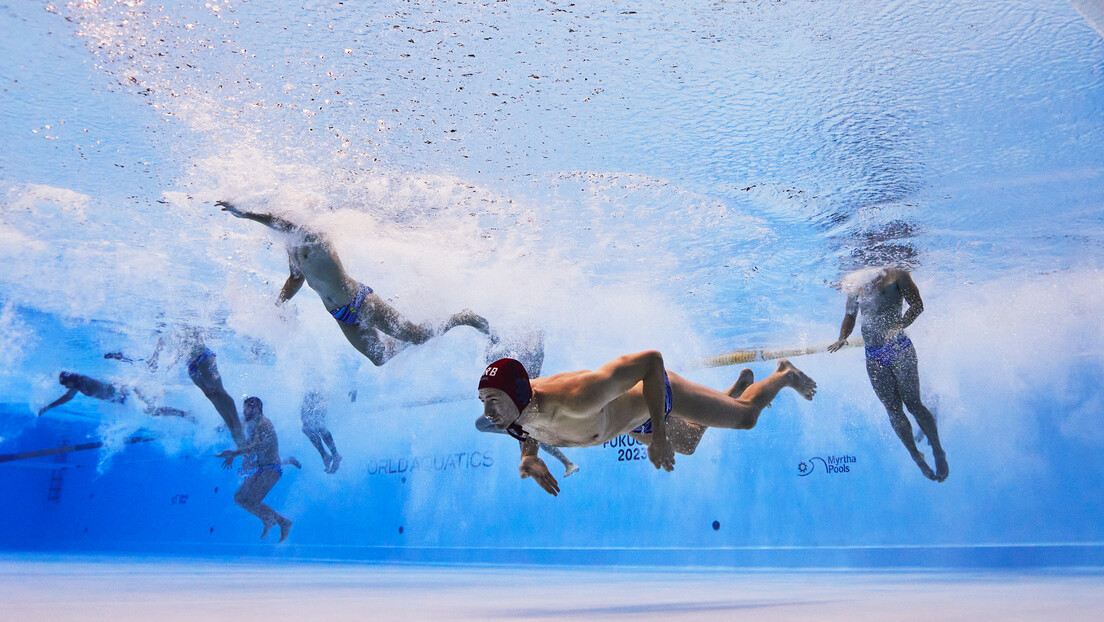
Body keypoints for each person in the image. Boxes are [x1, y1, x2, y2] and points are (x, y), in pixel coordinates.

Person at [477, 353, 816, 496]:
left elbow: (652, 362)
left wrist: (660, 435)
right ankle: (729, 392)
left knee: (746, 417)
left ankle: (784, 374)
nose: (489, 412)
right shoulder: (511, 414)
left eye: (494, 401)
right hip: (629, 422)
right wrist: (527, 455)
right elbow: (523, 427)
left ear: (521, 394)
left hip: (660, 394)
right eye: (484, 402)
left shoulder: (577, 396)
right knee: (689, 445)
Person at [216, 200, 493, 366]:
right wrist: (278, 303)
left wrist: (248, 214)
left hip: (360, 302)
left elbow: (285, 224)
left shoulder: (313, 235)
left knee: (418, 336)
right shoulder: (293, 249)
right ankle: (403, 333)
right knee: (380, 358)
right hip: (341, 315)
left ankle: (463, 317)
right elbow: (296, 279)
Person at [827, 267, 948, 482]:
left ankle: (938, 449)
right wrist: (842, 337)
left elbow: (917, 306)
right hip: (873, 354)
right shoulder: (856, 283)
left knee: (913, 403)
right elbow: (850, 315)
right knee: (892, 409)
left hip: (899, 347)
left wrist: (900, 325)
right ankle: (915, 455)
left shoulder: (898, 275)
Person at [112, 326, 245, 447]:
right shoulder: (170, 328)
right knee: (212, 396)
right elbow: (164, 340)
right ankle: (232, 427)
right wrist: (156, 357)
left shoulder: (187, 321)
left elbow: (197, 333)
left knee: (219, 392)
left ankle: (236, 424)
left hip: (203, 357)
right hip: (191, 365)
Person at [217, 397, 299, 542]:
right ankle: (269, 519)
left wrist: (234, 454)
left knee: (252, 502)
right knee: (239, 498)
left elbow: (256, 446)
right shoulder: (253, 424)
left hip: (271, 470)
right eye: (244, 408)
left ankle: (282, 522)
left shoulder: (264, 424)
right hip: (262, 469)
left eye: (247, 408)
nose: (245, 411)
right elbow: (251, 444)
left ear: (257, 408)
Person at [39, 372, 193, 421]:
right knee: (152, 409)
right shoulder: (78, 386)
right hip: (124, 397)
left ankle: (183, 413)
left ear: (71, 381)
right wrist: (48, 407)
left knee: (151, 410)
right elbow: (67, 397)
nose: (66, 387)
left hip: (127, 394)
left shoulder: (84, 381)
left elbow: (108, 384)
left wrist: (131, 391)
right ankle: (182, 411)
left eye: (66, 384)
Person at [300, 391, 342, 473]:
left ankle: (333, 455)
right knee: (310, 427)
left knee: (317, 425)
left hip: (318, 390)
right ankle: (327, 455)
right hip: (312, 391)